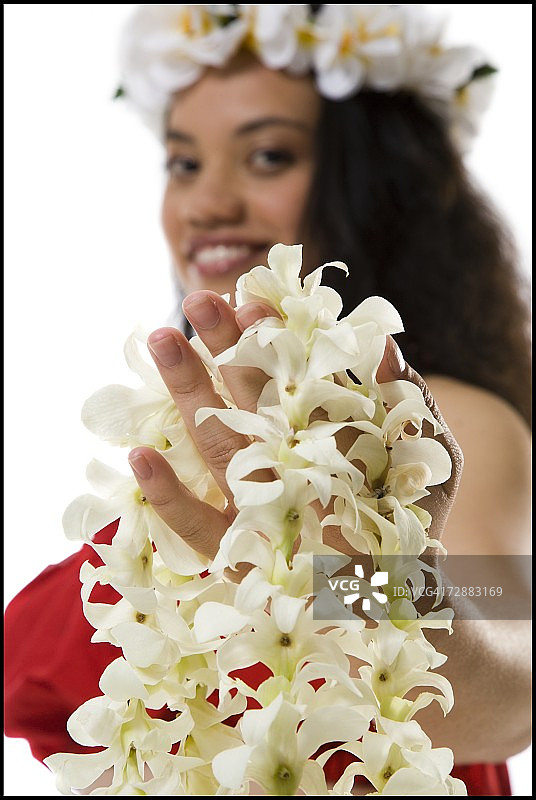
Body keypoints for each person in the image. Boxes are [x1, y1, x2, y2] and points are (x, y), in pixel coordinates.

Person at [4, 5, 531, 796]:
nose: (207, 202)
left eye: (268, 155)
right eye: (183, 163)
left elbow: (512, 686)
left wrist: (352, 582)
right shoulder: (179, 443)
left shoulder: (434, 419)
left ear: (382, 186)